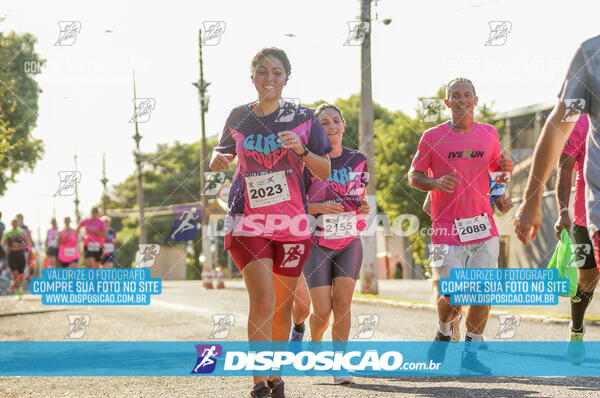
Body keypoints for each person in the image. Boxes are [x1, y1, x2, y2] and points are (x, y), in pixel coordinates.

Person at [210, 47, 332, 398]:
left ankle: (275, 374)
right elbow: (222, 152)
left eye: (277, 72)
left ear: (286, 78)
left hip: (293, 225)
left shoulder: (303, 117)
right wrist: (216, 159)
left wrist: (303, 151)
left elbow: (325, 169)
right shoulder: (238, 116)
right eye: (262, 71)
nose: (269, 78)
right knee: (262, 301)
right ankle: (259, 384)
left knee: (283, 306)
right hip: (248, 222)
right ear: (252, 76)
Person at [408, 78, 513, 375]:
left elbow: (494, 170)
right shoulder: (432, 136)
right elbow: (413, 176)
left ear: (476, 100)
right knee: (452, 295)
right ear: (447, 103)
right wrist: (435, 182)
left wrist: (501, 196)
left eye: (467, 95)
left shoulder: (489, 134)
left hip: (483, 226)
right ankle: (444, 331)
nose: (462, 100)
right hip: (445, 227)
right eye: (456, 96)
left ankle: (471, 349)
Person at [292, 103, 369, 385]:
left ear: (344, 125)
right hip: (317, 243)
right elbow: (296, 204)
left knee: (344, 303)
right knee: (322, 311)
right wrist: (318, 206)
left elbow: (360, 196)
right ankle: (314, 344)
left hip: (349, 241)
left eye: (336, 121)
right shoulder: (307, 162)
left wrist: (362, 207)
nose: (332, 126)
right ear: (317, 129)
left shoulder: (358, 159)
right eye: (324, 123)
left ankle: (339, 365)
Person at [552, 113, 596, 364]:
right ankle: (577, 330)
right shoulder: (579, 121)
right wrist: (562, 211)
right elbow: (564, 165)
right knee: (586, 279)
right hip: (584, 218)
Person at [2, 219, 28, 299]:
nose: (14, 224)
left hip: (20, 254)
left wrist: (18, 244)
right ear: (11, 224)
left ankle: (19, 287)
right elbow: (3, 243)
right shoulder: (7, 232)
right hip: (11, 255)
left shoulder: (21, 232)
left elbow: (26, 243)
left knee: (20, 274)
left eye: (16, 223)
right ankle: (18, 291)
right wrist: (5, 249)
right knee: (15, 274)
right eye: (13, 223)